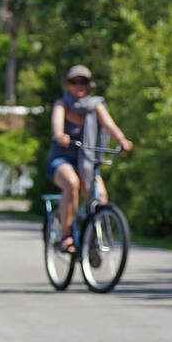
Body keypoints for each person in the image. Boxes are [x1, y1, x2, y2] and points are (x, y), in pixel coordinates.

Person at [46, 65, 133, 253]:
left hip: (87, 162)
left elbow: (110, 125)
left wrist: (122, 140)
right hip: (62, 160)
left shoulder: (95, 106)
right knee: (71, 183)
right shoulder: (62, 105)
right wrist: (60, 135)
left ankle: (91, 244)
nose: (79, 85)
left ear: (89, 85)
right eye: (74, 81)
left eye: (83, 81)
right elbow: (57, 124)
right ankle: (67, 235)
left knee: (100, 198)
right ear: (67, 84)